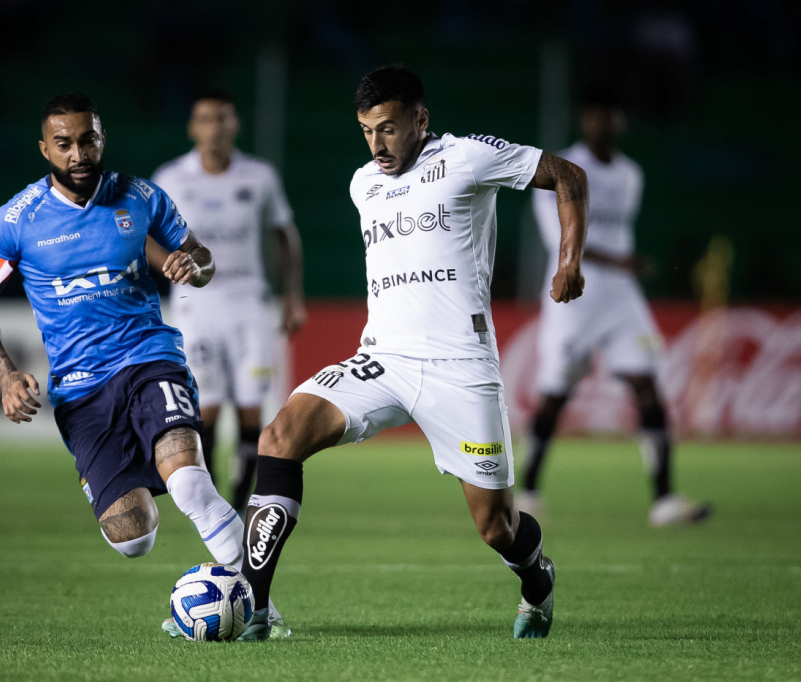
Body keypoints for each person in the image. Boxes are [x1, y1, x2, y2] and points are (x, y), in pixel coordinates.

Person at [233, 65, 589, 642]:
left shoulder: (467, 157)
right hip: (383, 360)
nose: (377, 144)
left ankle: (537, 576)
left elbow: (568, 174)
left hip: (461, 366)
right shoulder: (363, 184)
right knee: (279, 438)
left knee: (496, 527)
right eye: (367, 131)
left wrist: (569, 259)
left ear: (421, 119)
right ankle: (253, 607)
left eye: (389, 129)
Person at [0, 92, 288, 639]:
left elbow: (202, 258)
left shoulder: (141, 197)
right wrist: (5, 373)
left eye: (88, 140)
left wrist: (193, 266)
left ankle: (258, 610)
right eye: (64, 144)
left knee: (190, 485)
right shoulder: (16, 221)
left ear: (102, 139)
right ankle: (217, 587)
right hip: (81, 390)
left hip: (149, 359)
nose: (78, 153)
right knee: (133, 538)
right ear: (45, 149)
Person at [518, 88, 711, 527]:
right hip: (573, 295)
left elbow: (618, 232)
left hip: (621, 298)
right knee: (554, 394)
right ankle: (528, 490)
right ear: (583, 120)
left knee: (647, 383)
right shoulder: (560, 169)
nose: (601, 123)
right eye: (594, 115)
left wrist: (622, 266)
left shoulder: (629, 174)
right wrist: (620, 261)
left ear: (621, 121)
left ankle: (665, 499)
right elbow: (557, 237)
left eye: (609, 115)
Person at [151, 89, 306, 515]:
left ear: (235, 124)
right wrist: (168, 266)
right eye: (205, 119)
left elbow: (284, 233)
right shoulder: (171, 177)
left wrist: (292, 295)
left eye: (222, 118)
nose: (214, 128)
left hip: (248, 303)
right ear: (192, 127)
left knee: (253, 407)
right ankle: (213, 500)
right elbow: (145, 237)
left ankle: (240, 502)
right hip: (195, 305)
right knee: (206, 407)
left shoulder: (259, 176)